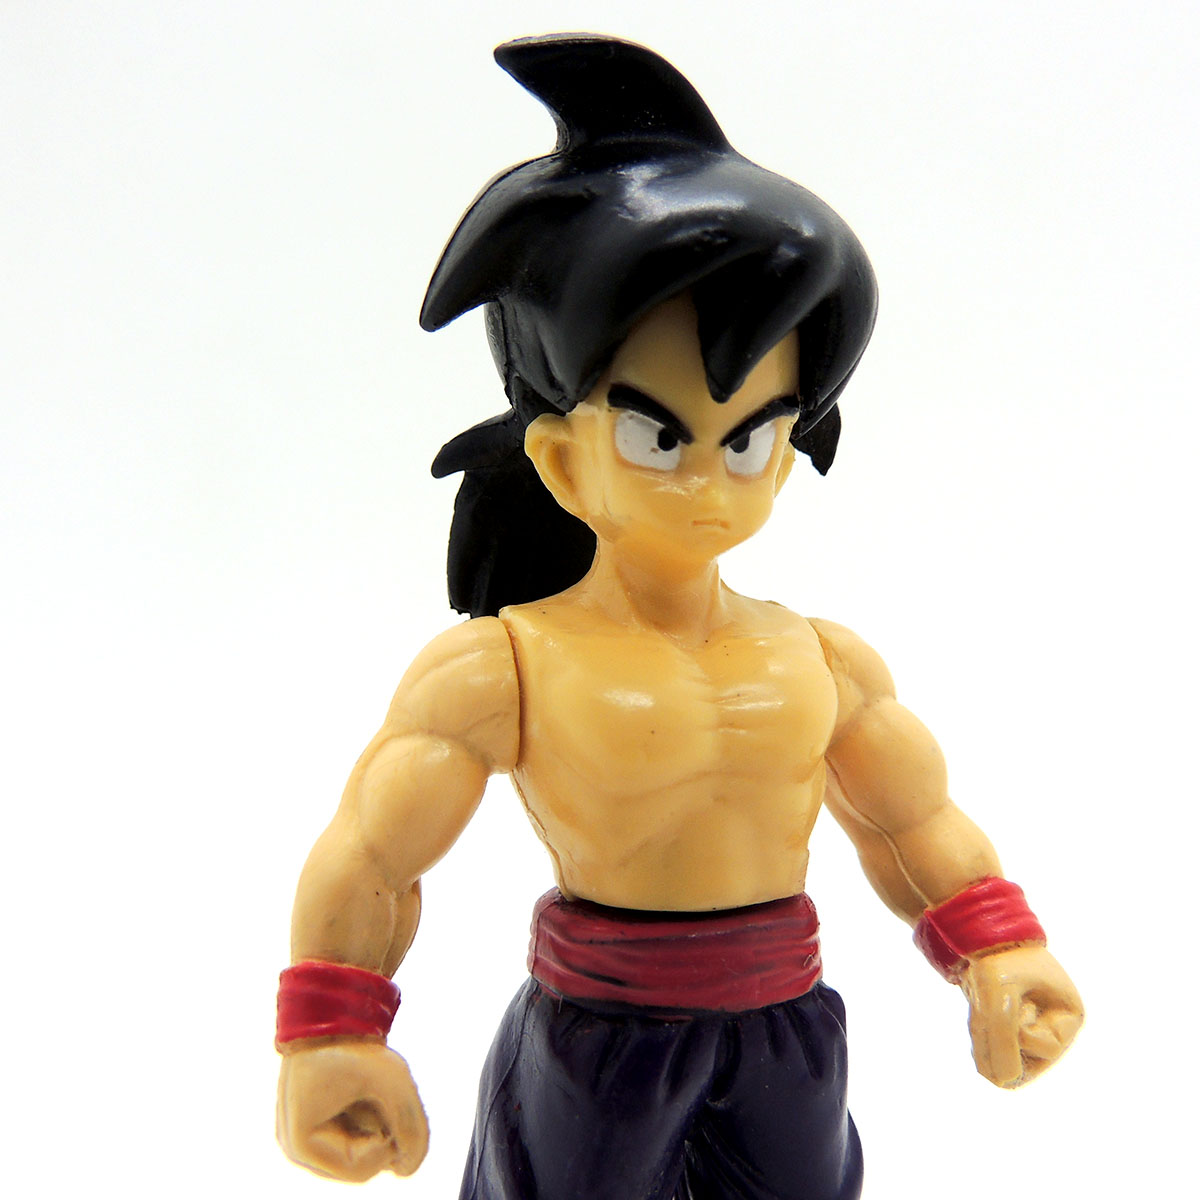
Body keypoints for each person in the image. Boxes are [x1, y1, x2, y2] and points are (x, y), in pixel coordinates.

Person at [274, 35, 1082, 1200]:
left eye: (748, 438)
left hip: (788, 1032)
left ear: (789, 449)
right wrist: (332, 1035)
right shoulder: (504, 667)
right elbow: (373, 853)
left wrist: (1001, 948)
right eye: (658, 435)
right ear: (561, 455)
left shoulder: (820, 660)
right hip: (599, 1045)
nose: (709, 479)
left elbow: (914, 824)